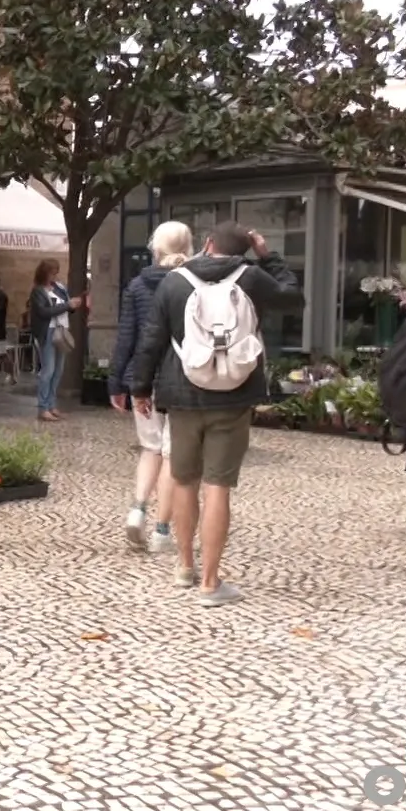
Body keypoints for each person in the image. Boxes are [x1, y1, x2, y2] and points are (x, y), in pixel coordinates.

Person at [129, 221, 304, 604]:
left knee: (185, 481)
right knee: (218, 488)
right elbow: (294, 297)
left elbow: (152, 340)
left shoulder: (174, 282)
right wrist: (266, 254)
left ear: (207, 244)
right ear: (244, 249)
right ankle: (211, 583)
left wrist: (140, 388)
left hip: (183, 396)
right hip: (234, 397)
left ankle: (185, 566)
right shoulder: (253, 278)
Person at [109, 221, 192, 554]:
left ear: (155, 248)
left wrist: (116, 380)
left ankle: (137, 508)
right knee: (172, 455)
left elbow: (126, 336)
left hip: (141, 379)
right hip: (180, 380)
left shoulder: (138, 285)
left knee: (150, 448)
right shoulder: (192, 284)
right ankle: (161, 531)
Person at [28, 260, 81, 422]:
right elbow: (44, 312)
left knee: (58, 370)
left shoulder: (59, 288)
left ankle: (51, 404)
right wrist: (67, 305)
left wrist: (72, 305)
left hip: (61, 330)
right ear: (44, 273)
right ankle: (43, 407)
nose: (54, 275)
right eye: (52, 272)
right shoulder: (38, 291)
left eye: (56, 272)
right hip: (48, 331)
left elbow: (66, 307)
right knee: (48, 370)